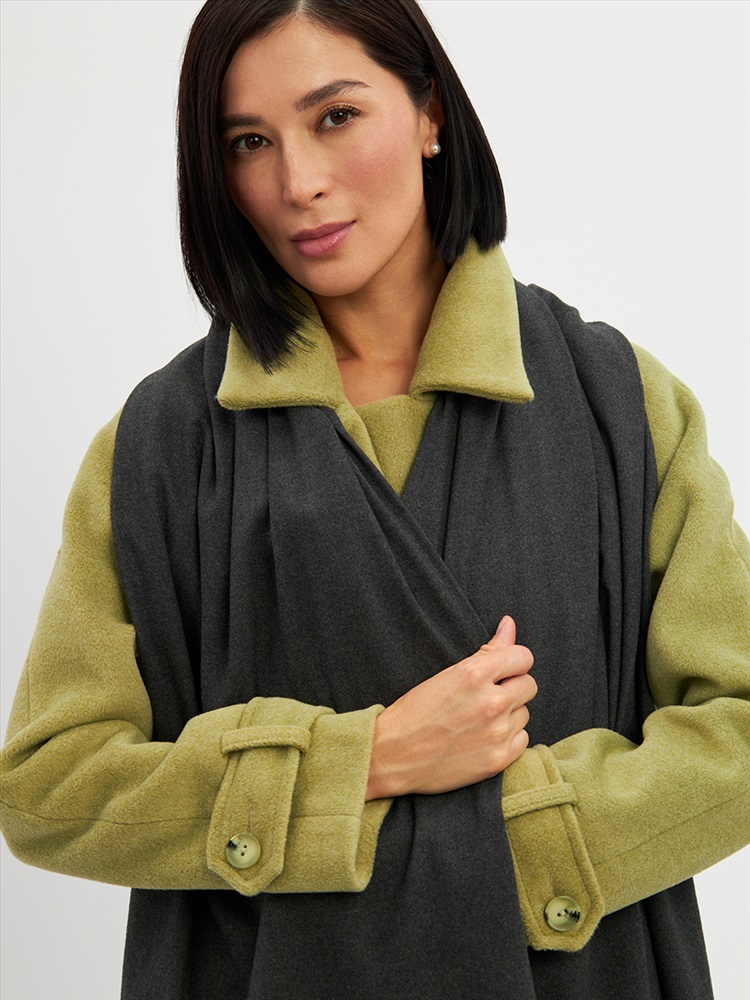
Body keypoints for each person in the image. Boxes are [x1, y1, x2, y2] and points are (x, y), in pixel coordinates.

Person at [1, 1, 748, 998]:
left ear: (431, 113)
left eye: (336, 116)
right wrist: (366, 762)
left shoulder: (620, 402)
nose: (297, 182)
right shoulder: (164, 442)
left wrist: (528, 849)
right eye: (249, 142)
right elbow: (48, 785)